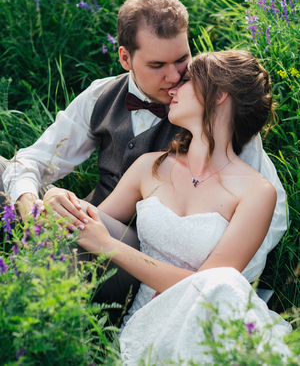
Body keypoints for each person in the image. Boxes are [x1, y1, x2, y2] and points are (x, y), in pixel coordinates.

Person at [1, 0, 287, 311]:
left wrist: (218, 288)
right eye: (156, 65)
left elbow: (266, 216)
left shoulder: (220, 119)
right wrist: (35, 198)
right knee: (10, 178)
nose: (174, 78)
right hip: (102, 226)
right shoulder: (101, 97)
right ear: (126, 58)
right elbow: (32, 161)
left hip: (148, 262)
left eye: (181, 60)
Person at [74, 50, 292, 365]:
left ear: (218, 95)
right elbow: (93, 222)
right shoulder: (149, 167)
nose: (173, 88)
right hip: (148, 316)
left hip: (212, 314)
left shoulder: (257, 192)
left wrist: (109, 247)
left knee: (220, 286)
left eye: (187, 80)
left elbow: (206, 287)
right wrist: (58, 200)